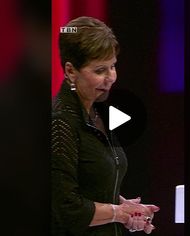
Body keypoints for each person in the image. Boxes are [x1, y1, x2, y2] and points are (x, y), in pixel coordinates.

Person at [51, 16, 160, 236]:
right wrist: (119, 213)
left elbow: (90, 183)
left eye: (113, 66)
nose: (111, 77)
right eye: (100, 70)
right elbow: (66, 208)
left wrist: (128, 209)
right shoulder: (60, 122)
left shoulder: (98, 110)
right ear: (71, 71)